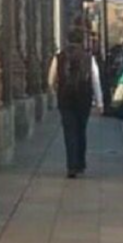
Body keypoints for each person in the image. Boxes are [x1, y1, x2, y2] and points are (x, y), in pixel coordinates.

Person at [49, 30, 104, 179]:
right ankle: (80, 163)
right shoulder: (89, 58)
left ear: (67, 40)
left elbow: (50, 80)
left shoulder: (59, 57)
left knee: (69, 132)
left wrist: (56, 91)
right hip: (83, 98)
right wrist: (100, 102)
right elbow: (95, 80)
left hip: (65, 99)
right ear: (82, 41)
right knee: (81, 130)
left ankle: (71, 166)